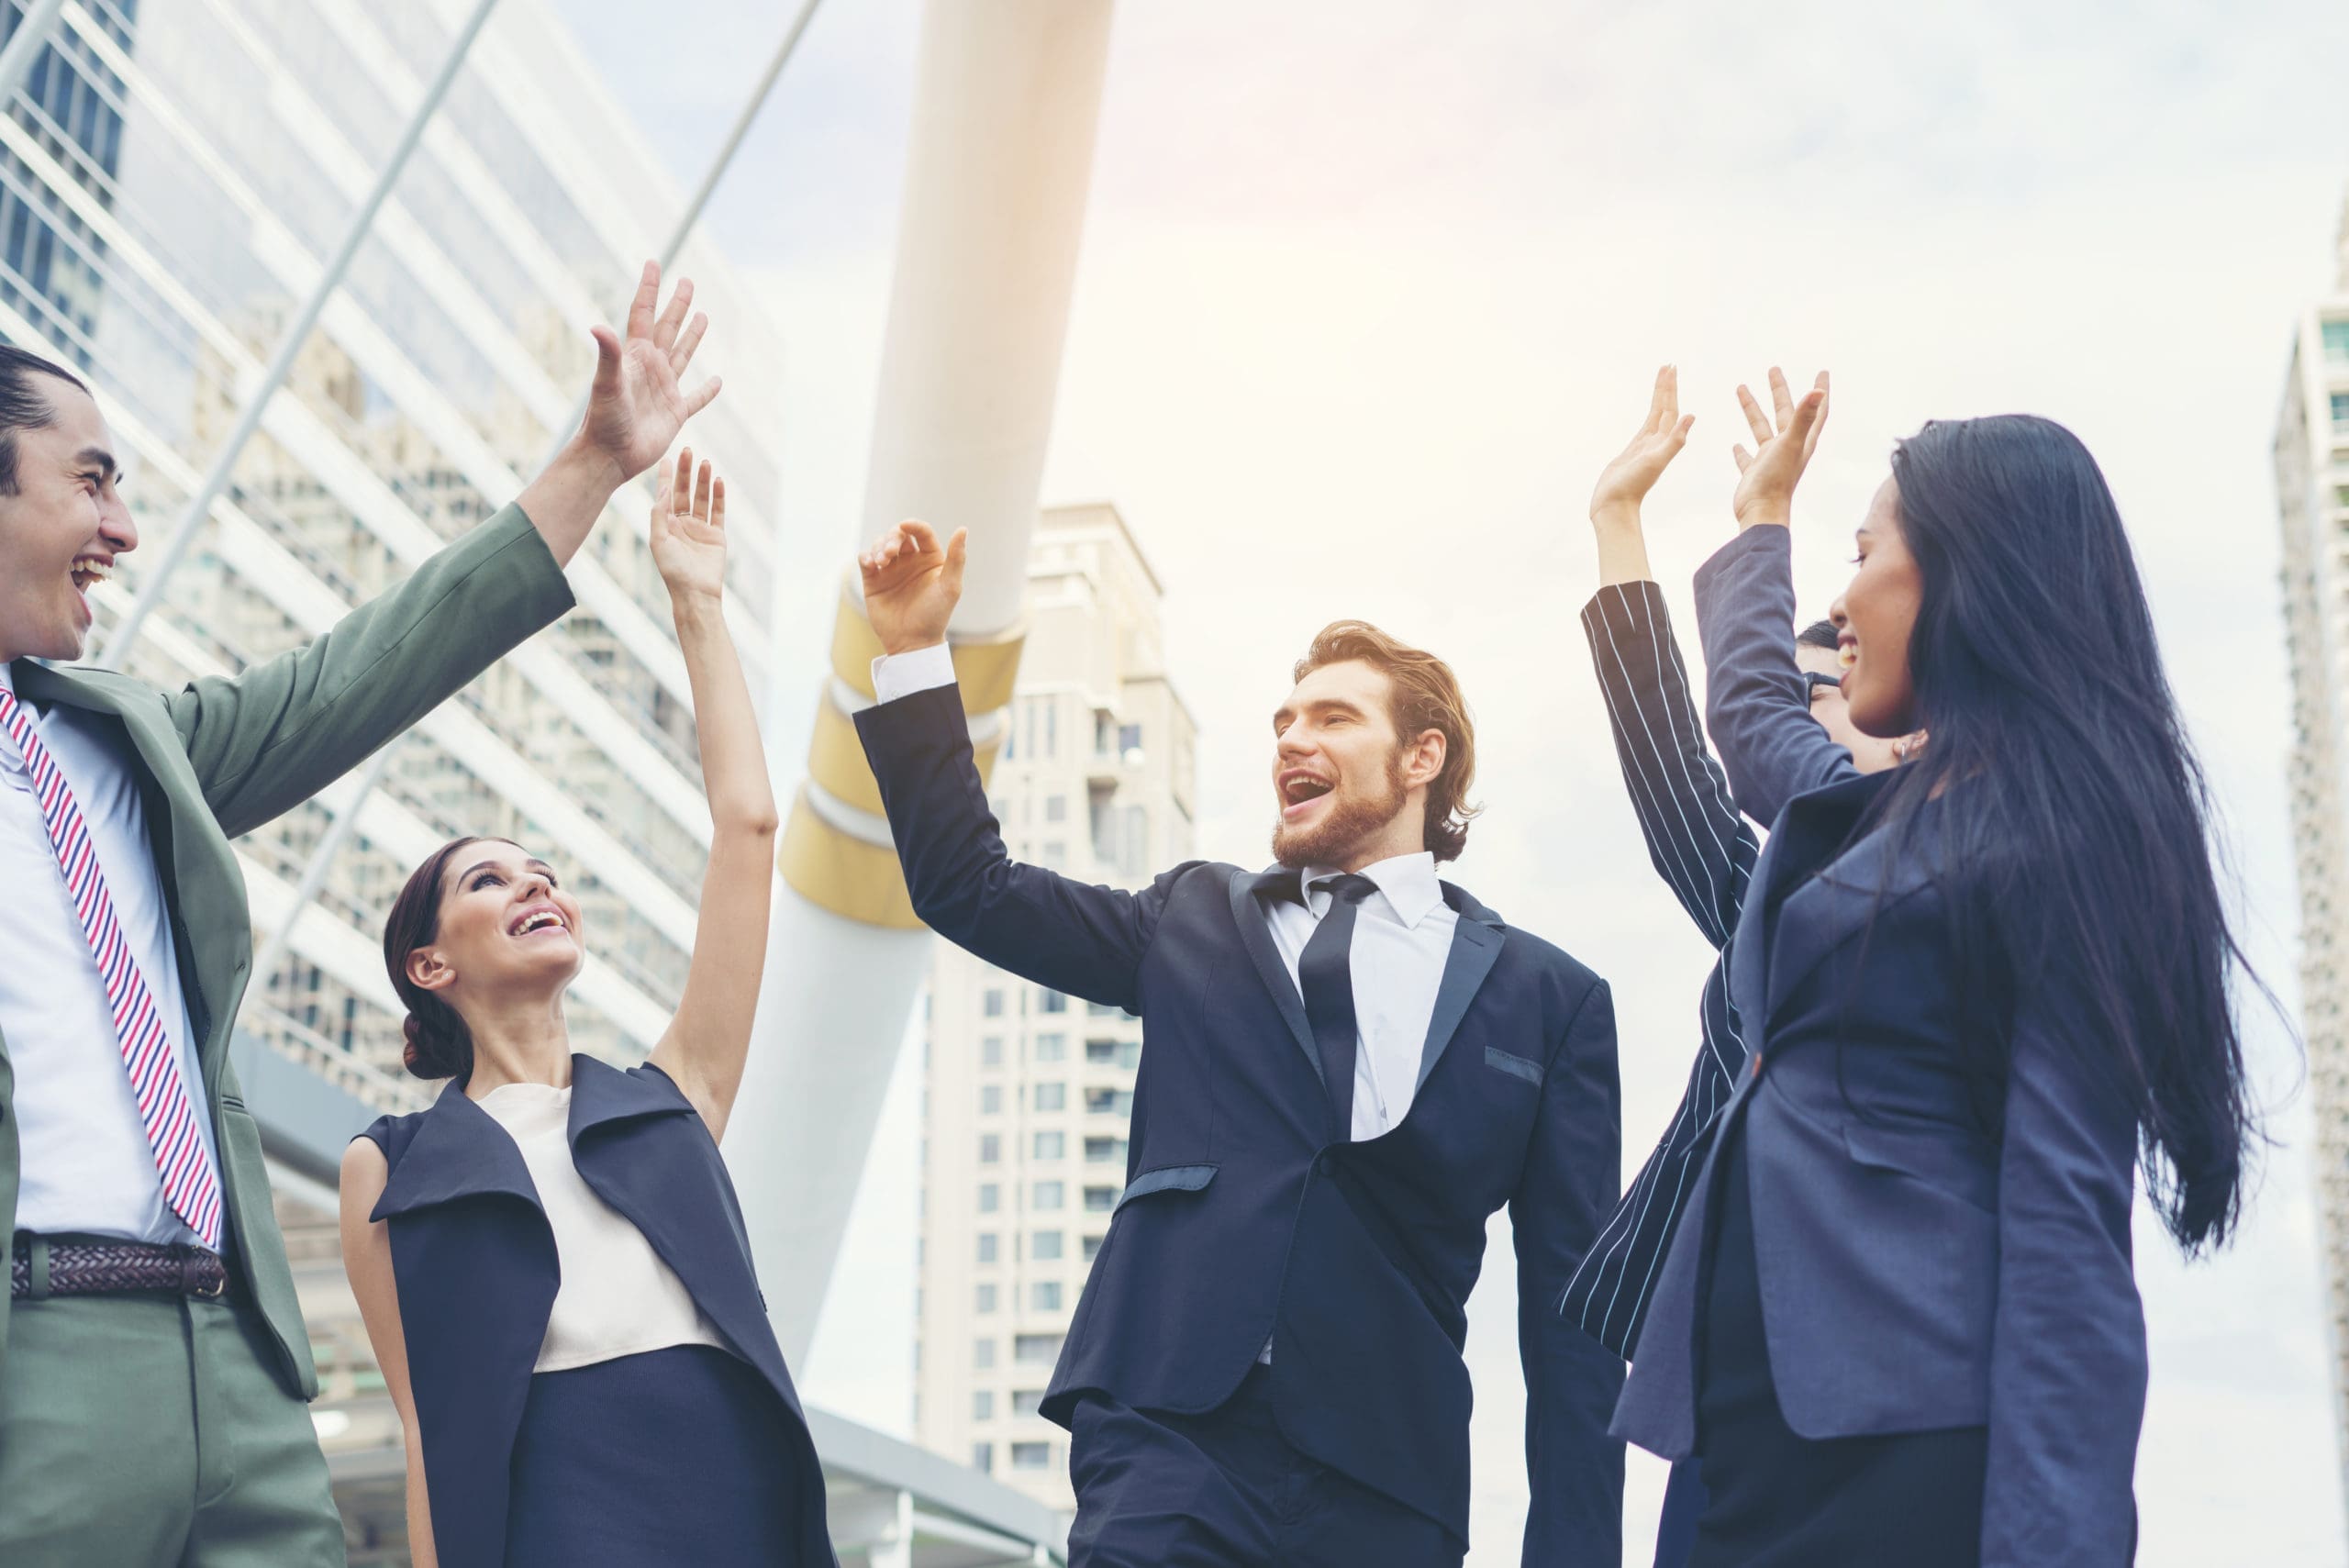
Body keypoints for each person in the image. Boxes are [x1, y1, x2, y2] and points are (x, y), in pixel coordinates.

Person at [0, 262, 716, 1567]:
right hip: (38, 1353)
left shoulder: (129, 743)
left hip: (238, 1357)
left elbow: (366, 669)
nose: (123, 528)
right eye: (90, 482)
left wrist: (595, 466)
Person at [852, 520, 1626, 1567]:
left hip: (1389, 1478)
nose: (1292, 740)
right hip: (1167, 1439)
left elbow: (1575, 1316)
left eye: (1334, 717)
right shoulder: (1192, 916)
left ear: (1420, 757)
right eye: (1283, 721)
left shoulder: (1550, 1000)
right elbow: (968, 887)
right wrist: (911, 651)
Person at [1612, 371, 2259, 1567]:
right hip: (1745, 1443)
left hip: (1898, 1458)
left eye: (1864, 552)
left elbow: (2066, 1241)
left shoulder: (2057, 845)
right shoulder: (1869, 816)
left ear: (1970, 573)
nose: (1839, 597)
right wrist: (1761, 523)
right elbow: (1753, 725)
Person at [340, 451, 831, 1568]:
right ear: (428, 963)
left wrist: (696, 604)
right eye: (490, 878)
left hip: (737, 1489)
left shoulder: (676, 1094)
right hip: (556, 1510)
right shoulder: (389, 1166)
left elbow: (749, 827)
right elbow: (426, 1428)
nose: (536, 885)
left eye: (544, 872)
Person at [1564, 367, 1912, 1568]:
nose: (1801, 704)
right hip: (1731, 1391)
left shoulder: (1977, 884)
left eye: (1826, 684)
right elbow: (1674, 767)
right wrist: (1618, 524)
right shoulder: (1769, 905)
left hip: (1900, 1403)